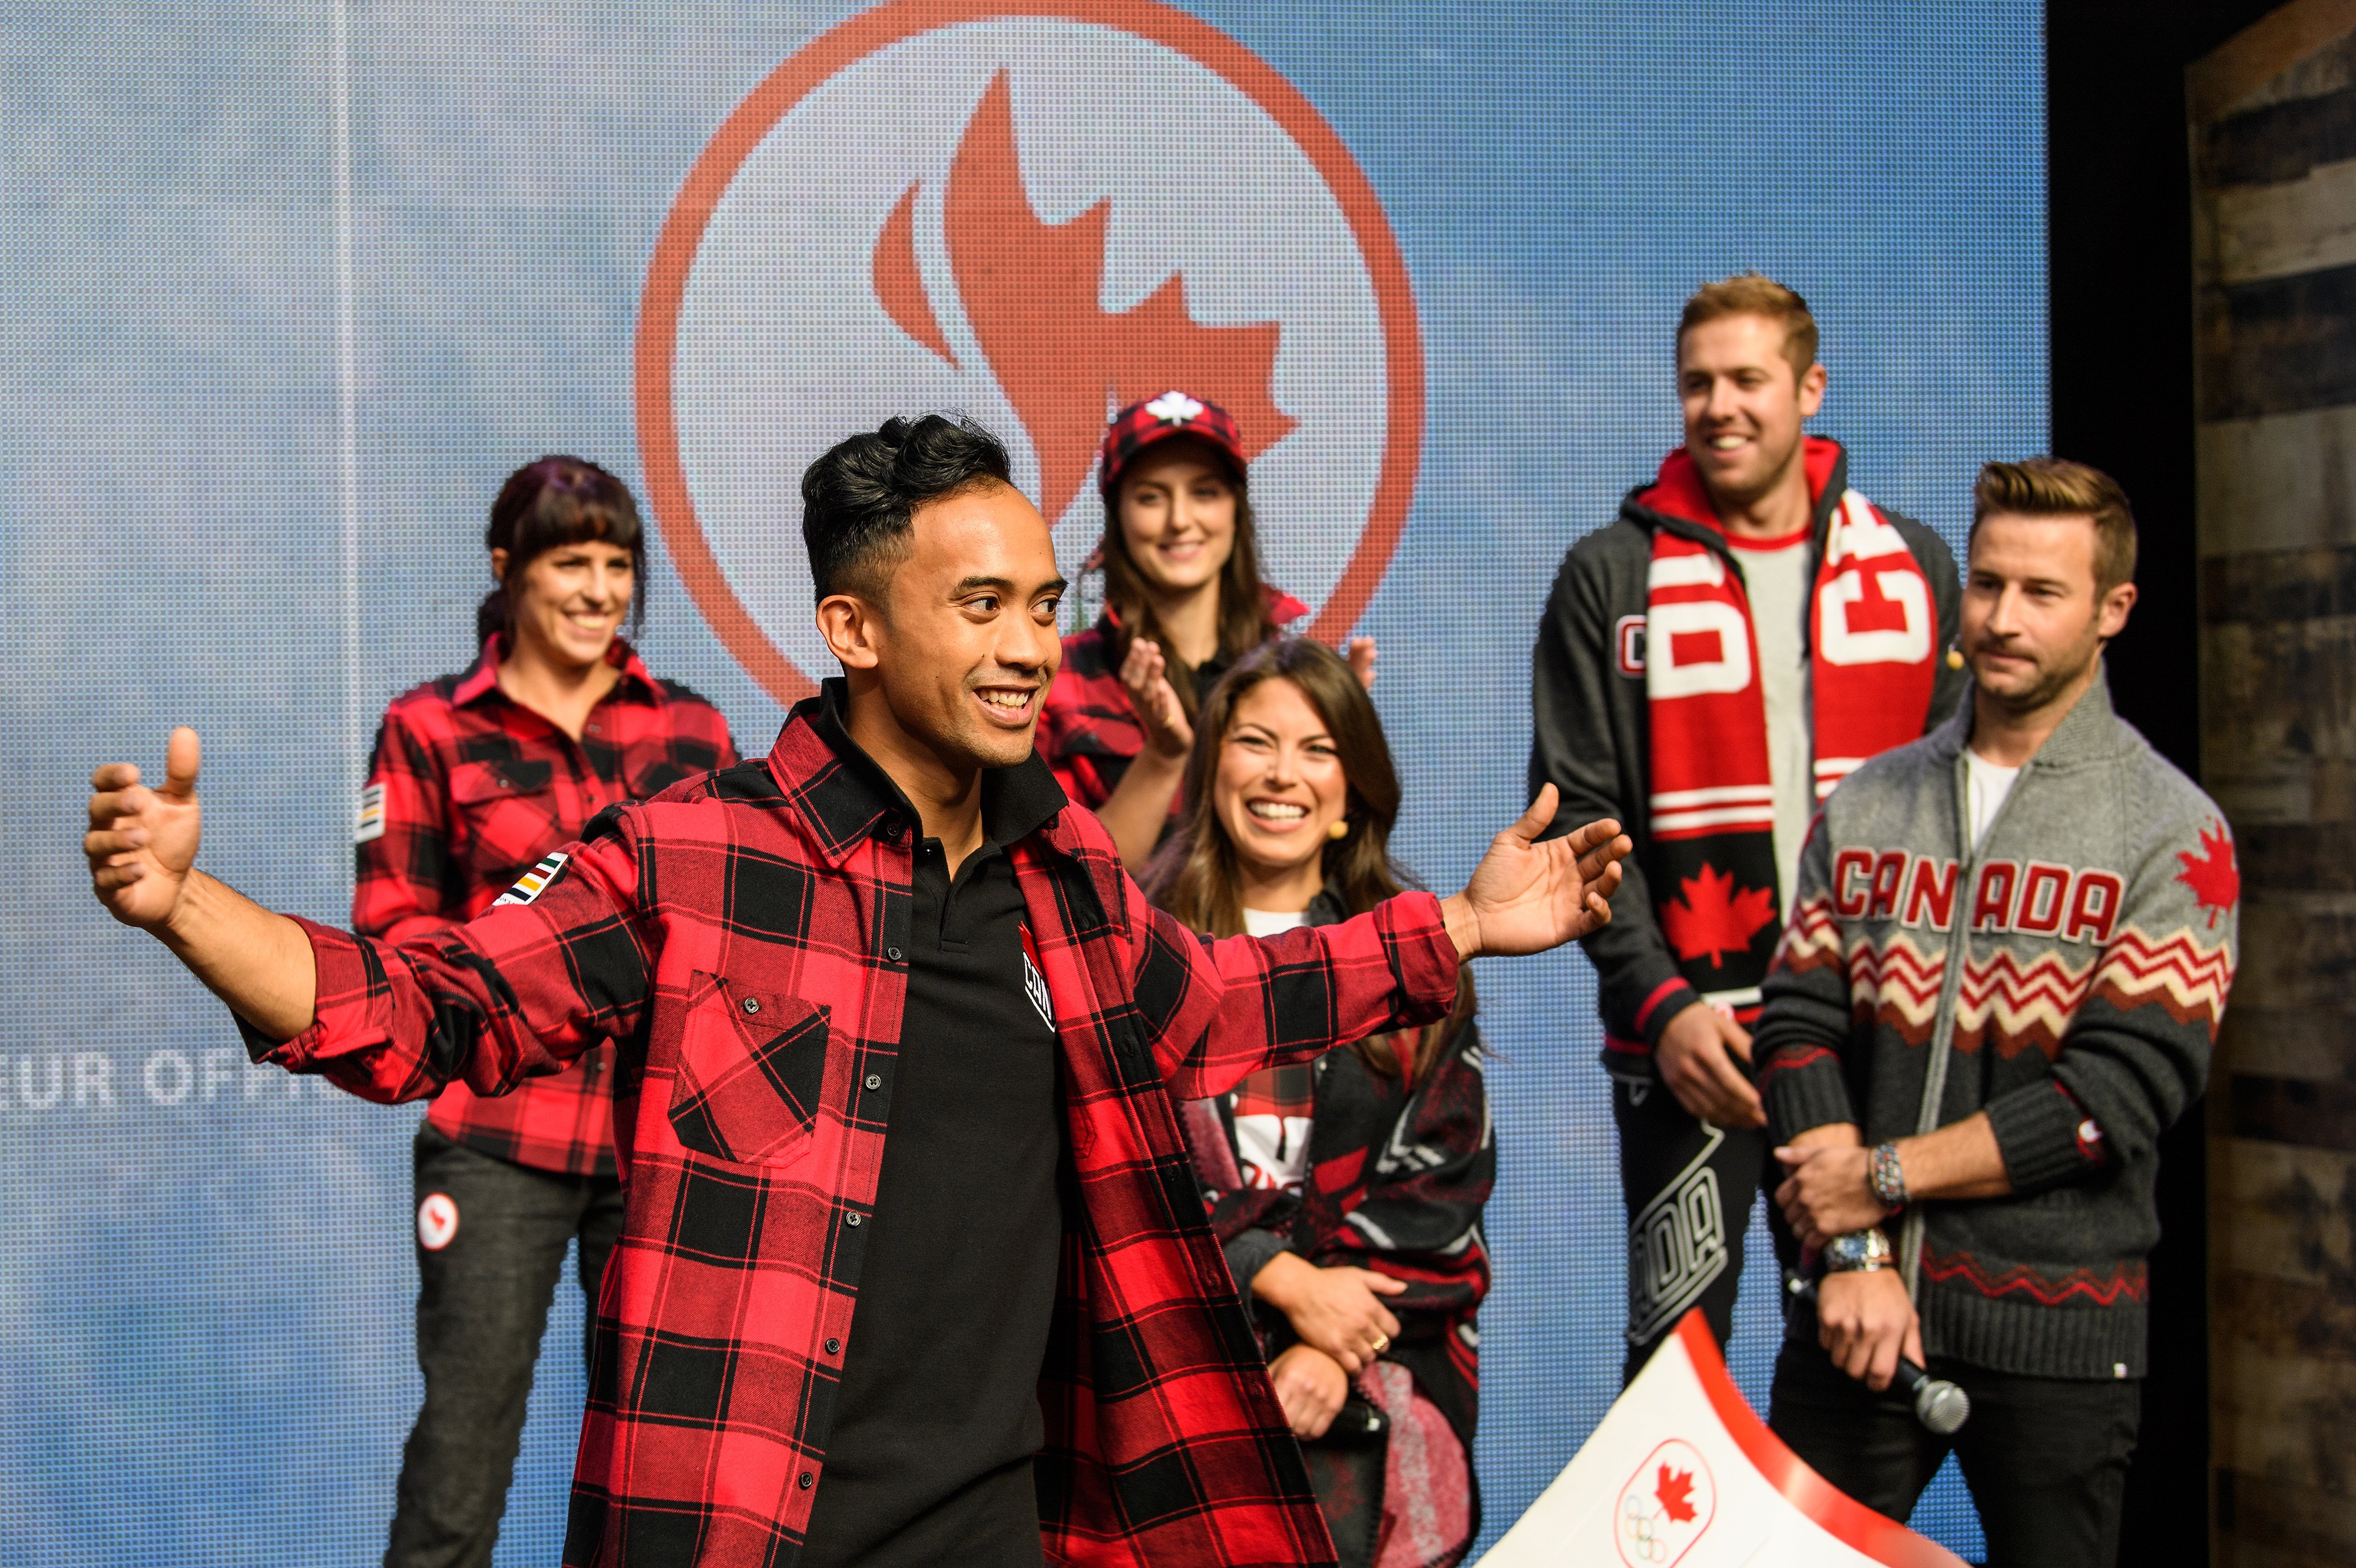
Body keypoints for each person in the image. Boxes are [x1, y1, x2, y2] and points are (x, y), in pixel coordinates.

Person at [84, 415, 1630, 1568]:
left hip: (1007, 1525)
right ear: (854, 630)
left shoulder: (1071, 873)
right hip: (732, 1518)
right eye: (982, 607)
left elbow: (1214, 999)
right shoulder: (694, 852)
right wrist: (183, 905)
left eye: (1040, 602)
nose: (1032, 647)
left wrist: (1462, 927)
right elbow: (421, 1003)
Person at [1756, 459, 2236, 1566]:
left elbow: (2112, 1102)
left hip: (2061, 1344)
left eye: (2042, 592)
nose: (2002, 619)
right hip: (1852, 1322)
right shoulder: (1870, 800)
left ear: (2115, 610)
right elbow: (1796, 1024)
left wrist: (1876, 1178)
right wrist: (1858, 1251)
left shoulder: (2175, 834)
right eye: (1987, 585)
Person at [1528, 274, 1967, 1378]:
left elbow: (1968, 813)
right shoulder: (1610, 577)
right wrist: (1660, 1001)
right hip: (1693, 1049)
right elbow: (1581, 816)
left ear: (1810, 388)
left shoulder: (1913, 568)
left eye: (1747, 380)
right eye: (1697, 384)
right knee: (1677, 1378)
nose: (1719, 406)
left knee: (1861, 1368)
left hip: (1874, 1045)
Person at [356, 456, 737, 1568]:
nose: (599, 589)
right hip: (497, 1141)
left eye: (618, 565)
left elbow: (735, 938)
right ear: (506, 571)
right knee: (459, 1465)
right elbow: (394, 942)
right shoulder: (427, 730)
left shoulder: (696, 735)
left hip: (658, 1142)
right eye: (571, 561)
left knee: (670, 1470)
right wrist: (540, 969)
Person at [1145, 638, 1490, 1568]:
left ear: (1353, 793)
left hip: (1363, 1373)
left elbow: (1441, 1195)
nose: (1282, 774)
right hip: (1171, 1369)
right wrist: (1276, 1273)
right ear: (1215, 766)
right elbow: (1110, 1164)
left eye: (1318, 748)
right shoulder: (1140, 944)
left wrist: (1328, 1350)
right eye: (1256, 741)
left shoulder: (1419, 960)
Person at [1036, 389, 1374, 869]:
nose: (1180, 520)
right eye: (1151, 497)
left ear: (1236, 509)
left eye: (1205, 493)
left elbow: (1334, 868)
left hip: (1268, 943)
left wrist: (1341, 750)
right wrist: (1163, 755)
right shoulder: (1055, 678)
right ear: (1118, 517)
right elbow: (1065, 886)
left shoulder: (1294, 675)